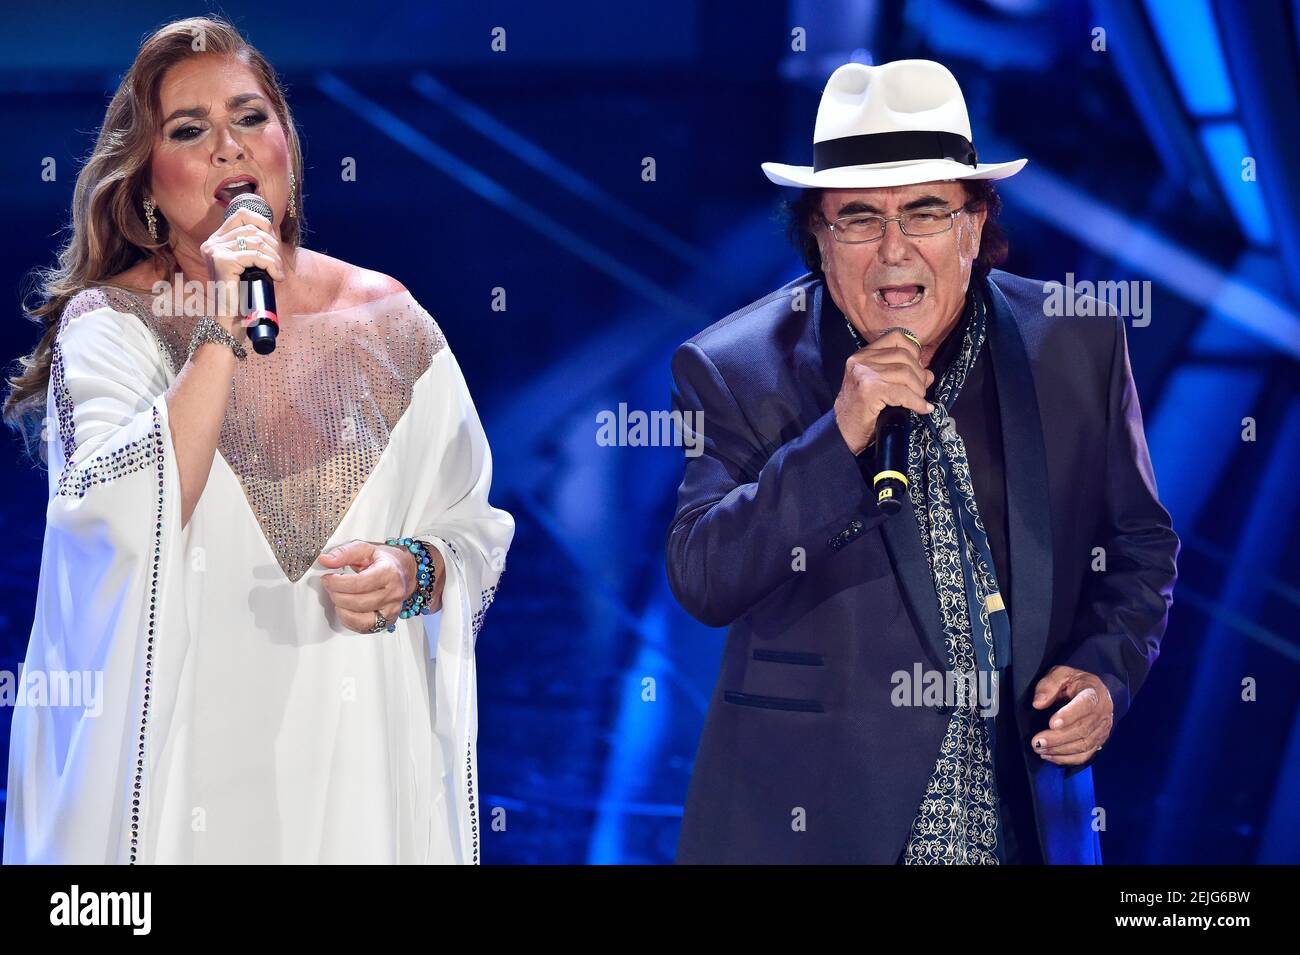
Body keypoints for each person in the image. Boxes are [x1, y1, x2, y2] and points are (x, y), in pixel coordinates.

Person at [1, 16, 513, 864]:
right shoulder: (113, 326)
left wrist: (412, 572)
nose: (229, 149)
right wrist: (222, 330)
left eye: (249, 117)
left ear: (287, 145)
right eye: (190, 131)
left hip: (353, 781)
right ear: (148, 184)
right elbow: (119, 524)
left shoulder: (390, 324)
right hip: (189, 782)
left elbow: (474, 528)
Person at [666, 59, 1178, 863]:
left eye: (927, 212)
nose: (894, 251)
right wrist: (836, 438)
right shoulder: (735, 368)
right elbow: (703, 574)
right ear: (819, 240)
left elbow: (1141, 548)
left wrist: (1104, 677)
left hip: (1022, 811)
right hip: (818, 823)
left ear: (975, 225)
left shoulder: (1077, 344)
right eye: (859, 218)